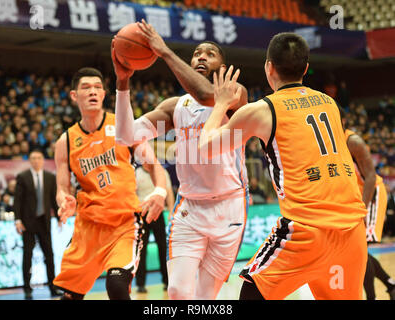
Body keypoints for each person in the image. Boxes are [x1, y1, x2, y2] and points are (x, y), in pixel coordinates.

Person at [199, 32, 368, 300]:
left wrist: (220, 104)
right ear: (305, 68)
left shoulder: (263, 109)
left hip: (306, 231)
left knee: (250, 295)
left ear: (269, 67)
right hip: (352, 231)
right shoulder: (331, 104)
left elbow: (206, 147)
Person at [113, 20, 249, 299]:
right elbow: (126, 136)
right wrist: (123, 83)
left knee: (204, 297)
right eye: (197, 52)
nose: (201, 56)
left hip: (230, 208)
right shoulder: (176, 106)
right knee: (176, 292)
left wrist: (164, 52)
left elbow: (205, 94)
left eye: (209, 53)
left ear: (223, 68)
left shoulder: (235, 95)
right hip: (189, 209)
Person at [52, 67, 166, 300]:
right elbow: (61, 188)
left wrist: (160, 190)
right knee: (69, 297)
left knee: (116, 285)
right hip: (88, 228)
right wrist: (64, 200)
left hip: (124, 222)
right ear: (74, 96)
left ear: (104, 94)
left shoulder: (124, 127)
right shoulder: (66, 141)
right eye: (86, 87)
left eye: (97, 87)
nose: (92, 92)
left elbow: (154, 165)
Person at [340, 109, 395, 300]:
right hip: (357, 197)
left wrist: (362, 208)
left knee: (360, 250)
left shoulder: (352, 141)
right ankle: (390, 285)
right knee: (357, 251)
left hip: (371, 194)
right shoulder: (333, 142)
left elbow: (370, 176)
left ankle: (373, 296)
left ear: (343, 120)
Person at [13, 149, 61, 299]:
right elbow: (18, 200)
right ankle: (27, 288)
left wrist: (59, 216)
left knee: (49, 255)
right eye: (33, 158)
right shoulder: (23, 177)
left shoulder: (49, 177)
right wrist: (18, 220)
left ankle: (53, 287)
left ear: (43, 160)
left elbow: (53, 199)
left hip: (44, 222)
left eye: (39, 158)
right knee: (27, 255)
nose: (36, 161)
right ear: (30, 160)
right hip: (28, 223)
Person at [135, 161, 175, 293]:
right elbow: (132, 193)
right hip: (142, 215)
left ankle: (167, 281)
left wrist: (171, 211)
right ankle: (140, 284)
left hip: (158, 214)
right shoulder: (137, 173)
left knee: (164, 248)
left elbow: (169, 191)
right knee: (141, 250)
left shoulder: (161, 173)